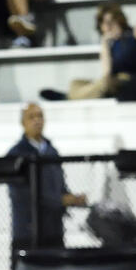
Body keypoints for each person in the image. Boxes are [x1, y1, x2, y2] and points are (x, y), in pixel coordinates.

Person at [7, 104, 88, 251]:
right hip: (28, 233)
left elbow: (61, 186)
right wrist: (60, 200)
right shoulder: (16, 154)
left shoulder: (52, 151)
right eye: (31, 117)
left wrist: (73, 199)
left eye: (40, 116)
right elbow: (23, 194)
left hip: (53, 231)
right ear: (23, 123)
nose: (37, 120)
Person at [41, 3, 136, 100]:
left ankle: (68, 97)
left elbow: (107, 73)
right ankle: (72, 95)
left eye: (111, 22)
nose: (108, 27)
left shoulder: (130, 39)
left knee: (104, 83)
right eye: (104, 24)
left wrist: (104, 45)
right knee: (75, 83)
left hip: (130, 81)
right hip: (115, 80)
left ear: (119, 21)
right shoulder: (114, 42)